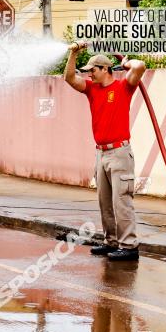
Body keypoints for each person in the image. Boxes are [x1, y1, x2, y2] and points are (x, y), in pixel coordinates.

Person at [64, 44, 146, 261]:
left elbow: (140, 66)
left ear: (105, 69)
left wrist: (126, 63)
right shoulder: (92, 89)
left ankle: (129, 246)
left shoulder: (124, 87)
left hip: (119, 152)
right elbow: (69, 78)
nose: (90, 73)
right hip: (101, 153)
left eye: (93, 70)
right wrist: (73, 54)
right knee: (105, 202)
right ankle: (111, 242)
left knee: (122, 201)